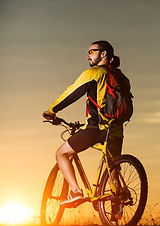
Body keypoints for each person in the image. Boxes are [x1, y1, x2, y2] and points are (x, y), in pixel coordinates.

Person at [43, 41, 131, 209]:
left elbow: (72, 93)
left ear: (103, 54)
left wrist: (52, 110)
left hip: (97, 129)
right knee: (113, 173)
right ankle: (115, 220)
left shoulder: (94, 73)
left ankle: (76, 191)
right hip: (116, 130)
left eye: (92, 51)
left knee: (61, 154)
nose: (88, 55)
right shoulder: (122, 77)